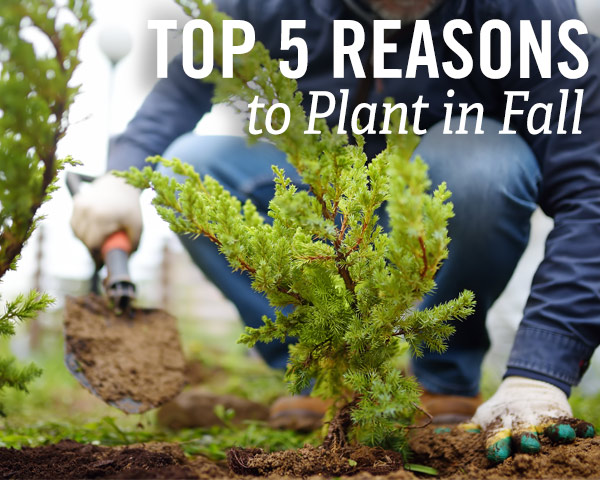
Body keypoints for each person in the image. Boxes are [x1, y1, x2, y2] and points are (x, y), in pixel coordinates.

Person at [71, 0, 600, 461]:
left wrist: (540, 372)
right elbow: (185, 84)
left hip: (442, 198)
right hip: (325, 196)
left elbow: (588, 190)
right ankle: (324, 368)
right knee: (184, 171)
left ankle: (442, 377)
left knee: (485, 167)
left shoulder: (531, 10)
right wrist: (124, 172)